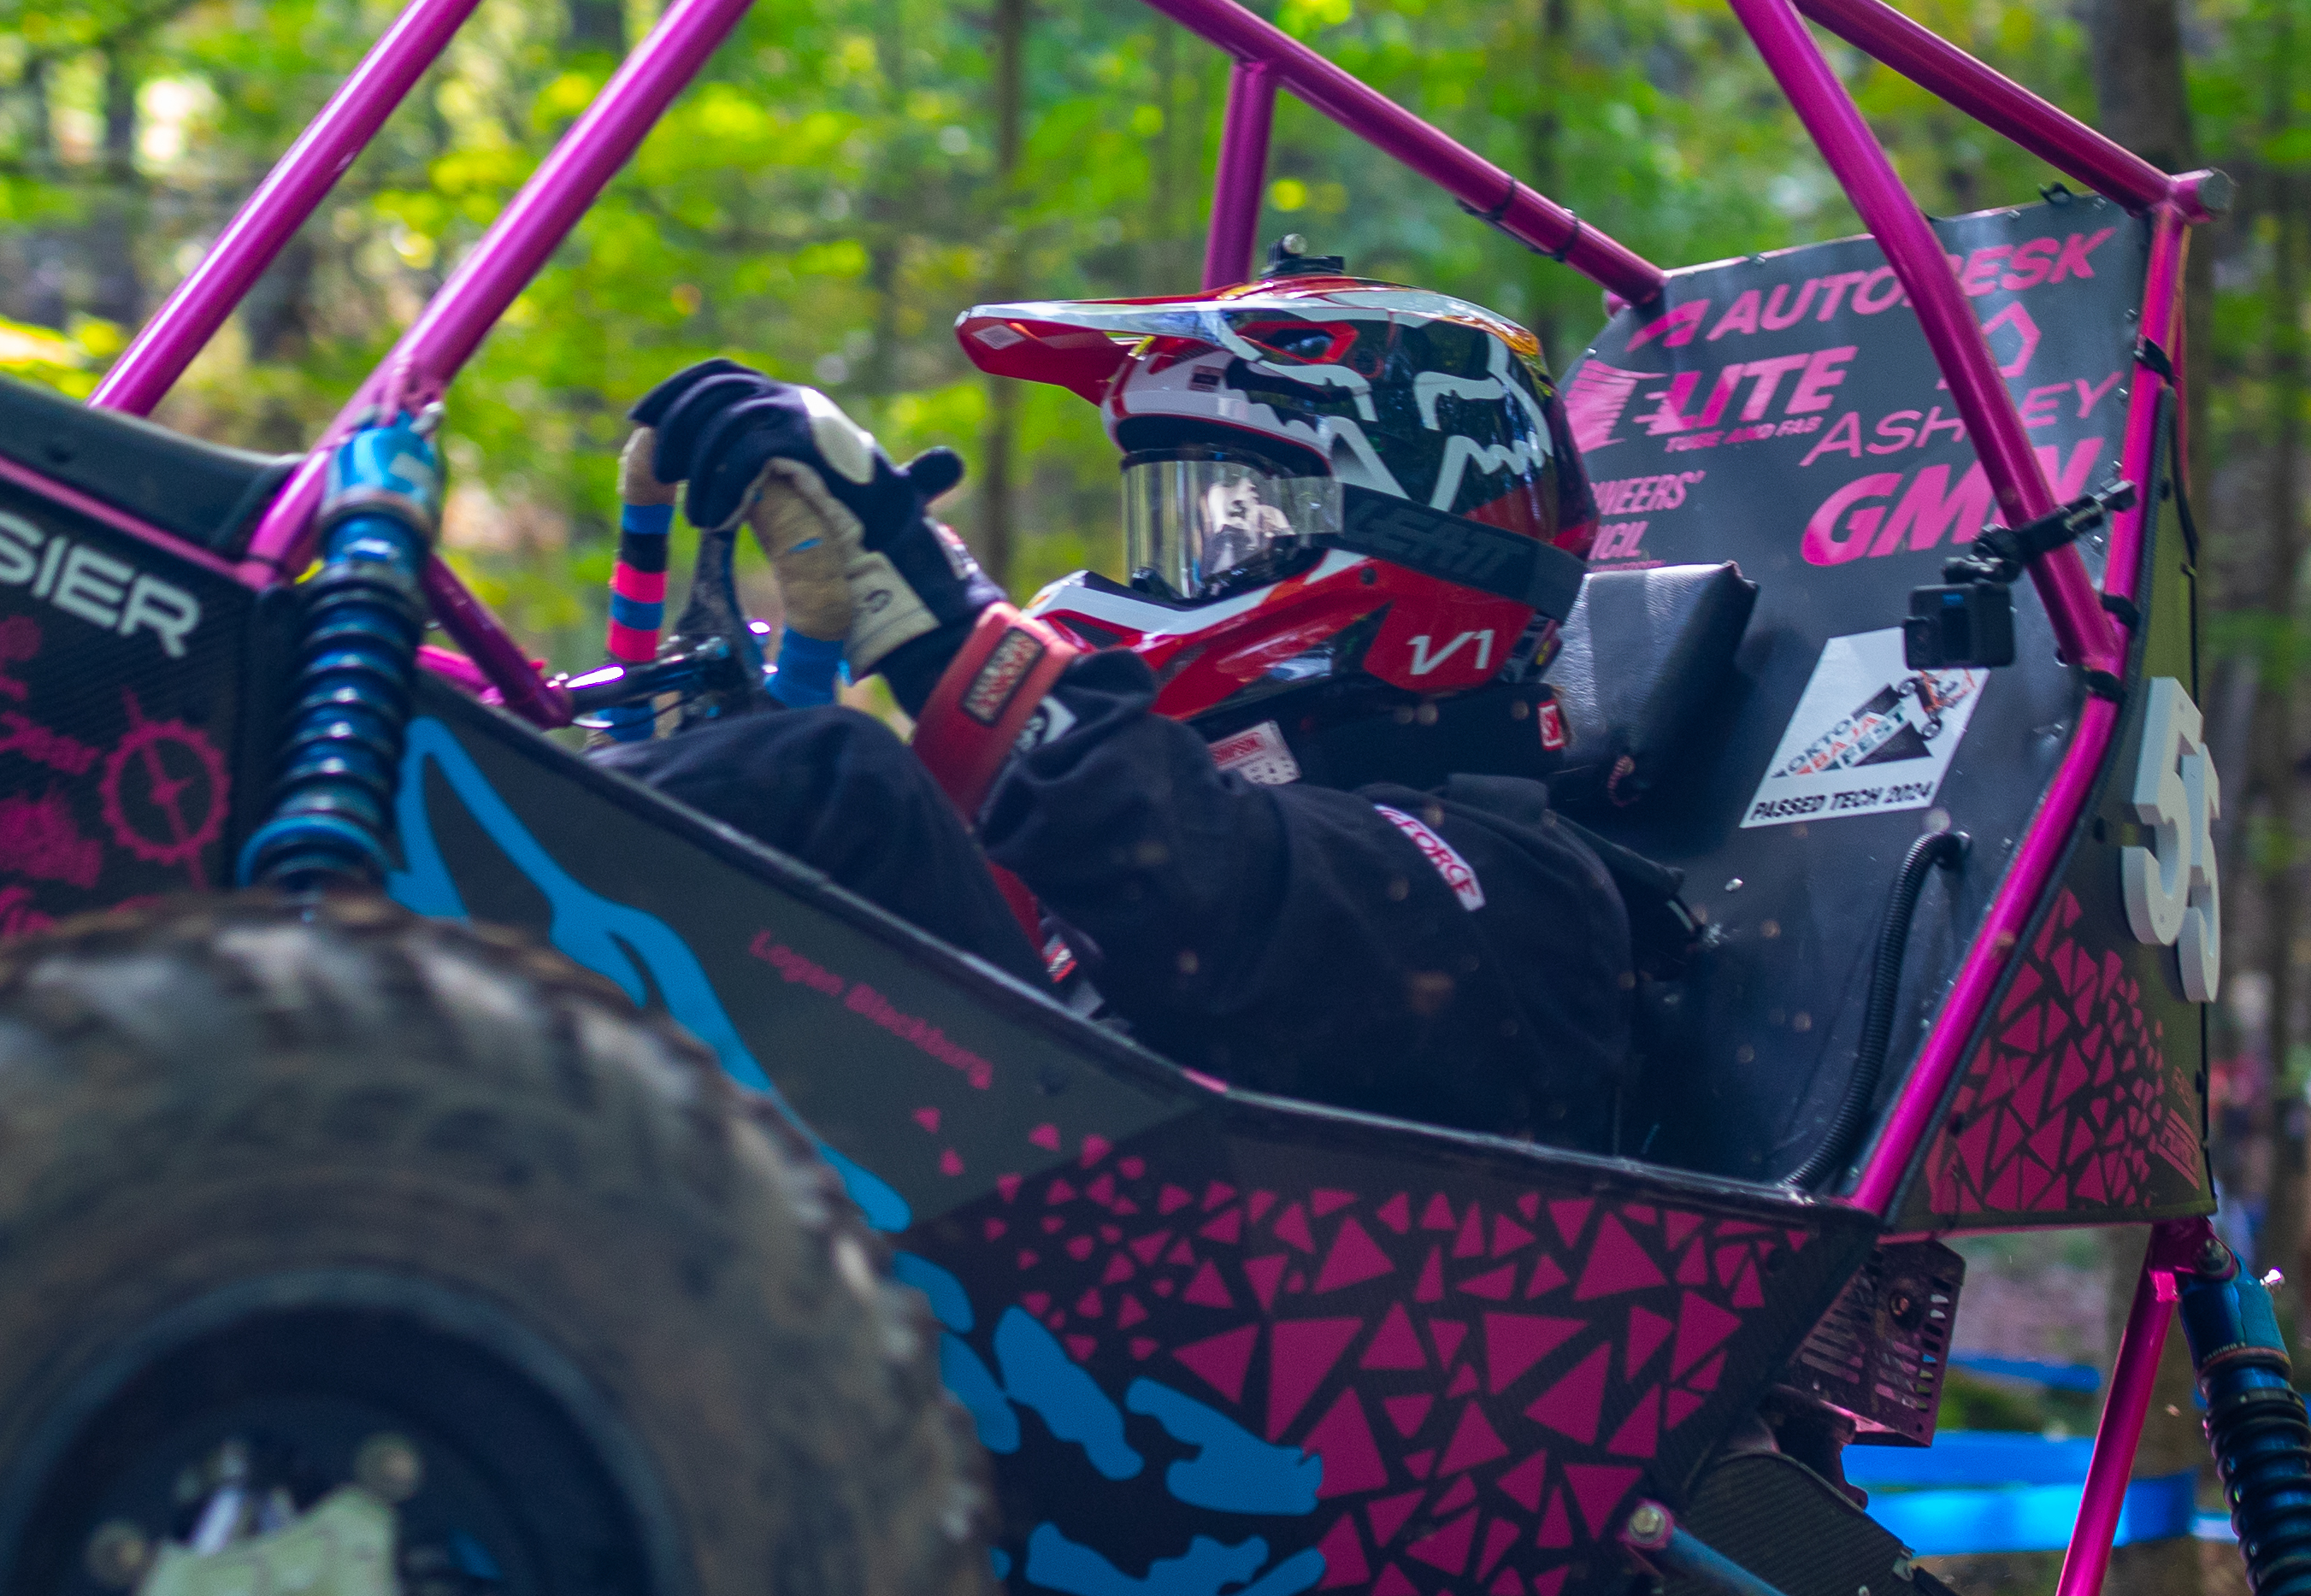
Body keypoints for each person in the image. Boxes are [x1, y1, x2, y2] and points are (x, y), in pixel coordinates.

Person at [607, 267, 1635, 1151]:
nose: (1163, 571)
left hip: (1208, 1335)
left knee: (847, 783)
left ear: (1413, 545)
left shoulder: (1532, 885)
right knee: (807, 799)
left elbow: (1201, 883)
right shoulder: (1197, 835)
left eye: (1226, 522)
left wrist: (934, 616)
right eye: (1165, 523)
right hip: (984, 1258)